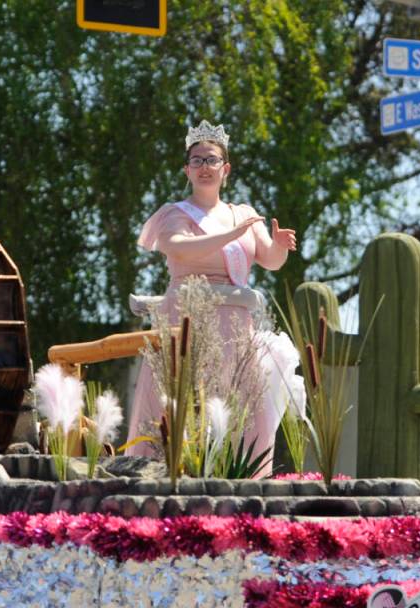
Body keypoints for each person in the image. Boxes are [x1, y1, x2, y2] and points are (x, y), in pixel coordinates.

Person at [125, 121, 298, 476]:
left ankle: (240, 485)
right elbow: (178, 249)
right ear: (187, 170)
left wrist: (279, 247)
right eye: (197, 160)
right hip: (187, 321)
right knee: (178, 405)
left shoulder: (244, 214)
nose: (205, 166)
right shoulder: (175, 213)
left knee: (239, 409)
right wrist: (229, 236)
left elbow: (270, 261)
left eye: (212, 159)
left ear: (226, 169)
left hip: (236, 328)